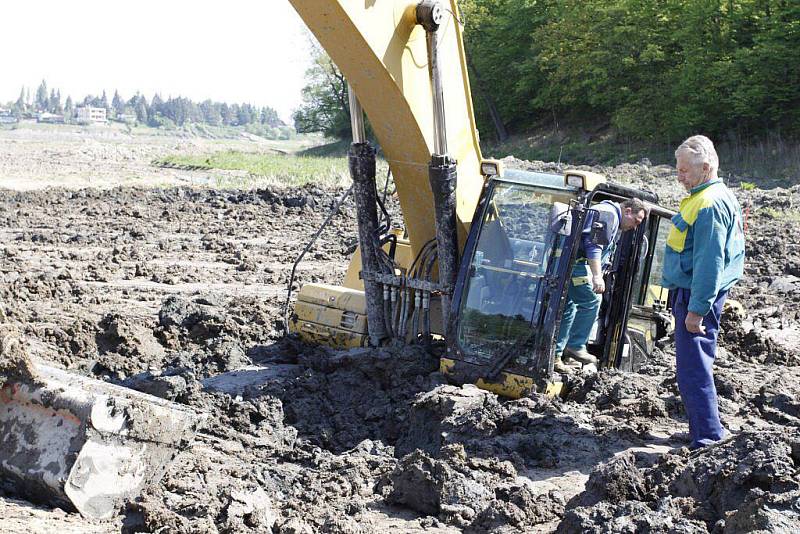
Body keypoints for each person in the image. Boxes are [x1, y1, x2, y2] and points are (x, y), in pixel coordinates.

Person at [663, 135, 745, 449]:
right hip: (696, 293)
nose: (679, 175)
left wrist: (696, 310)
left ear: (706, 167)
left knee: (693, 369)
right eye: (678, 168)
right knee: (694, 366)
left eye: (684, 170)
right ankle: (701, 428)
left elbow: (710, 263)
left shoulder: (709, 204)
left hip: (698, 297)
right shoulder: (710, 194)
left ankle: (708, 437)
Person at [554, 197, 648, 372]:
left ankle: (556, 355)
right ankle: (575, 346)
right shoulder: (609, 214)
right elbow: (594, 245)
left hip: (567, 263)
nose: (635, 227)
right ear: (627, 211)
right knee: (591, 301)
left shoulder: (604, 211)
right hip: (577, 264)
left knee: (570, 307)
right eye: (636, 221)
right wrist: (597, 276)